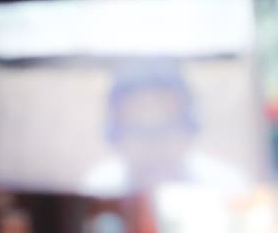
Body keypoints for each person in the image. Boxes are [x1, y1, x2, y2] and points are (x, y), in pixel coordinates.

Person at [80, 59, 248, 198]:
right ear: (115, 134)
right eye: (139, 130)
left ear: (189, 129)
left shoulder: (229, 188)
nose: (154, 145)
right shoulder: (95, 191)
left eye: (166, 128)